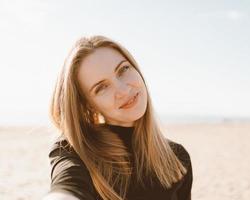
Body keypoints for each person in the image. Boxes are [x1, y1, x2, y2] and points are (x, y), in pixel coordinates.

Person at [43, 35, 193, 200]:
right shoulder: (75, 149)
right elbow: (67, 187)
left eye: (123, 69)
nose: (122, 90)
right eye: (101, 88)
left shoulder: (177, 157)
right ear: (89, 105)